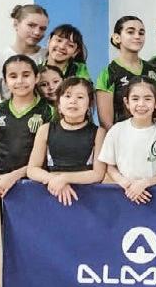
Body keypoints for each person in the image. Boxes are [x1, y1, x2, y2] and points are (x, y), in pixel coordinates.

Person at [0, 55, 55, 197]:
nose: (20, 81)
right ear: (5, 81)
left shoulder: (49, 111)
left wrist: (15, 176)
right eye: (13, 76)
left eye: (26, 75)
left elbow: (49, 155)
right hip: (1, 184)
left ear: (36, 78)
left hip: (37, 184)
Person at [27, 77, 107, 205]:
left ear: (89, 104)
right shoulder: (45, 129)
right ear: (58, 104)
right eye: (67, 96)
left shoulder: (99, 133)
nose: (73, 101)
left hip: (86, 199)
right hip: (51, 195)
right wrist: (54, 180)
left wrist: (64, 178)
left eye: (80, 97)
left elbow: (98, 174)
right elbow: (32, 169)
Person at [98, 76, 156, 204]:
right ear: (127, 102)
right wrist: (126, 184)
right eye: (135, 99)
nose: (141, 104)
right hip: (125, 195)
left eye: (147, 99)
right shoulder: (117, 130)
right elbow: (109, 166)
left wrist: (145, 183)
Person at [96, 16, 156, 129]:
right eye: (130, 32)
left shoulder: (154, 70)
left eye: (141, 33)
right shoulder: (109, 73)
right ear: (117, 37)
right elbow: (106, 122)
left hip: (152, 134)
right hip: (121, 136)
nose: (137, 36)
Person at [0, 4, 49, 101]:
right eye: (31, 25)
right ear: (16, 24)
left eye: (42, 28)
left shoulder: (49, 56)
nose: (37, 32)